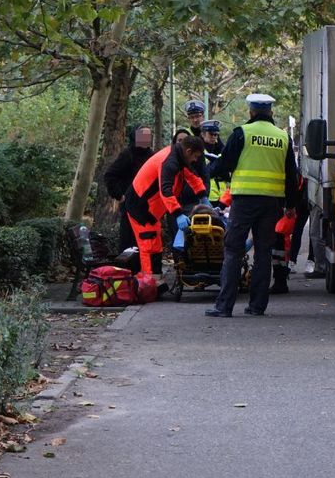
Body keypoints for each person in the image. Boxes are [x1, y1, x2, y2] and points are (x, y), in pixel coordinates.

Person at [204, 93, 299, 317]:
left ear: (251, 112)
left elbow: (224, 163)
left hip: (244, 201)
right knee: (263, 253)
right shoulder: (283, 137)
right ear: (271, 113)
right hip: (271, 203)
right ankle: (257, 306)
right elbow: (291, 175)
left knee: (233, 250)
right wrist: (291, 204)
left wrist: (206, 172)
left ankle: (224, 306)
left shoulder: (242, 133)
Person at [125, 136, 209, 279]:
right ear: (188, 151)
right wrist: (178, 213)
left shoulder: (180, 157)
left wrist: (203, 196)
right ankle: (149, 282)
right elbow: (165, 190)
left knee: (156, 244)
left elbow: (192, 176)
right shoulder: (169, 162)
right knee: (148, 245)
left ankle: (155, 280)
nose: (195, 160)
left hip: (151, 208)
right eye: (195, 156)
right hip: (140, 207)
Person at [103, 126, 154, 252]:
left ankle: (146, 269)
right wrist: (119, 195)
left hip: (148, 207)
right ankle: (128, 270)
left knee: (147, 240)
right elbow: (110, 175)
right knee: (129, 241)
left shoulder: (151, 156)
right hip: (130, 205)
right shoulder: (127, 155)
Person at [200, 120, 229, 206]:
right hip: (207, 195)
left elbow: (228, 173)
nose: (214, 137)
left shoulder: (221, 150)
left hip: (223, 196)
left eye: (216, 134)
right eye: (211, 134)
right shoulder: (199, 151)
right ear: (203, 134)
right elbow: (205, 172)